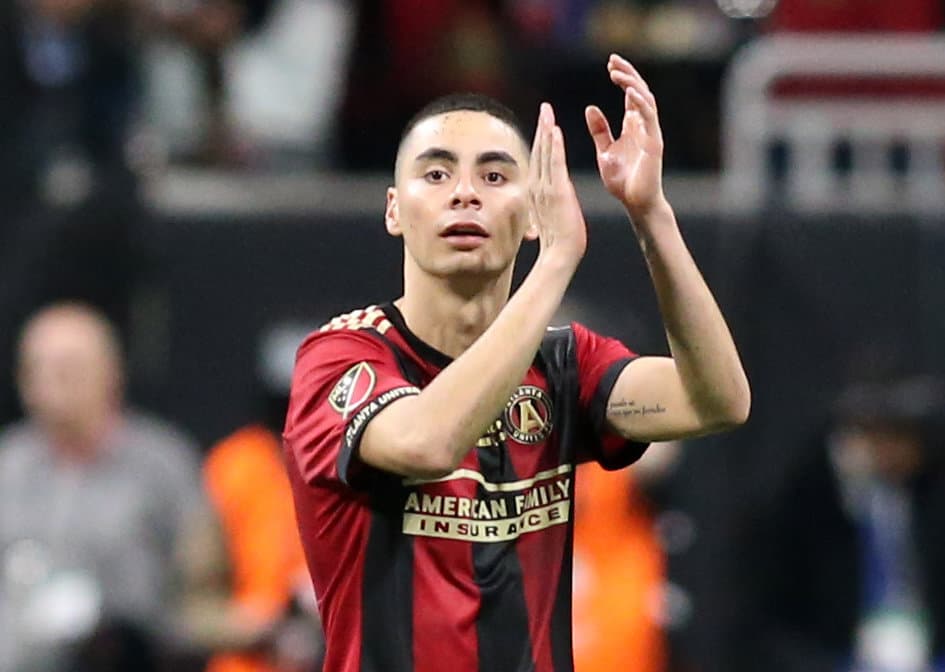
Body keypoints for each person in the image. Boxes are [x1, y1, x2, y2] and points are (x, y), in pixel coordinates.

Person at [282, 53, 751, 672]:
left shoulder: (565, 364)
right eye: (437, 174)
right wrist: (555, 261)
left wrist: (651, 216)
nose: (466, 193)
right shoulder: (339, 358)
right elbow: (428, 442)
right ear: (394, 210)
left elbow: (718, 399)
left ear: (531, 213)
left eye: (496, 177)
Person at [0, 302, 209, 672]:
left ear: (111, 372)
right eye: (36, 368)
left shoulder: (162, 465)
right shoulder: (7, 465)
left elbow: (202, 588)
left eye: (67, 368)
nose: (49, 383)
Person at [752, 376, 945, 672]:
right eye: (878, 437)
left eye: (902, 438)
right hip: (844, 656)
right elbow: (778, 610)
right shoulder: (817, 502)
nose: (891, 452)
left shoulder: (926, 499)